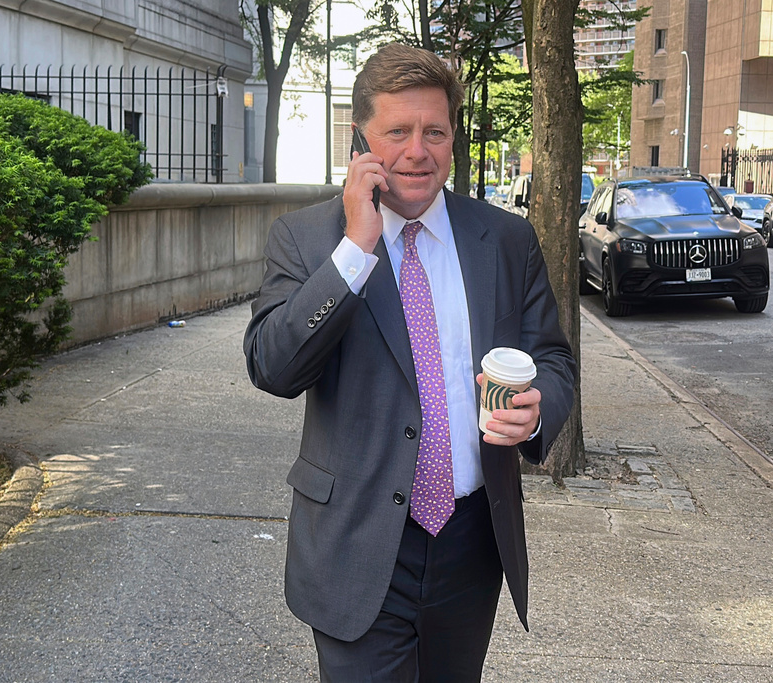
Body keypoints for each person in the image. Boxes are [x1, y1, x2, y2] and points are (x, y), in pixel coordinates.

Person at [244, 43, 575, 681]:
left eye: (435, 132)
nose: (417, 151)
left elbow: (553, 359)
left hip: (471, 541)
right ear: (359, 141)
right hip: (357, 541)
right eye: (397, 131)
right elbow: (273, 367)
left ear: (453, 139)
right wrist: (355, 250)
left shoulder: (505, 241)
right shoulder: (307, 239)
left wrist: (535, 416)